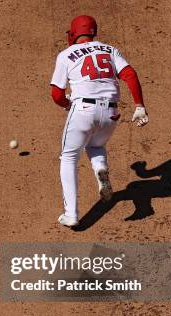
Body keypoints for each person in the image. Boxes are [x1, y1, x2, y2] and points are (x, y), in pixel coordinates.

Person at [50, 15, 149, 227]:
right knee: (96, 145)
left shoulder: (66, 54)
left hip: (83, 111)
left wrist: (67, 105)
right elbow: (130, 74)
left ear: (74, 33)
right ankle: (100, 169)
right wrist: (139, 106)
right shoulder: (109, 49)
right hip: (111, 114)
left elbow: (57, 94)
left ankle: (71, 214)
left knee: (68, 159)